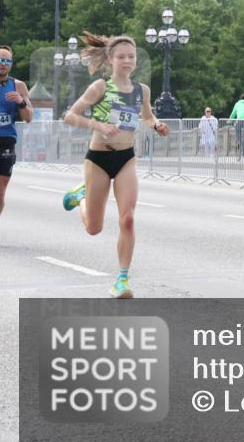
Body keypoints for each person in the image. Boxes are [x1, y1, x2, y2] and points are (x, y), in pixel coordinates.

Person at [61, 32, 170, 298]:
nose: (127, 61)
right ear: (110, 59)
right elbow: (70, 116)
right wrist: (98, 125)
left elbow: (146, 115)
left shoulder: (141, 90)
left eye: (131, 56)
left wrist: (155, 124)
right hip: (98, 159)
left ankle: (122, 280)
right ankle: (80, 197)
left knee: (128, 219)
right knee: (94, 228)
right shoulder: (99, 87)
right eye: (121, 56)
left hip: (126, 159)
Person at [0, 45, 33, 214]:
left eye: (6, 61)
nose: (2, 64)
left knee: (0, 191)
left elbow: (28, 117)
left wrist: (20, 102)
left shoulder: (18, 86)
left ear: (11, 63)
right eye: (0, 60)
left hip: (6, 140)